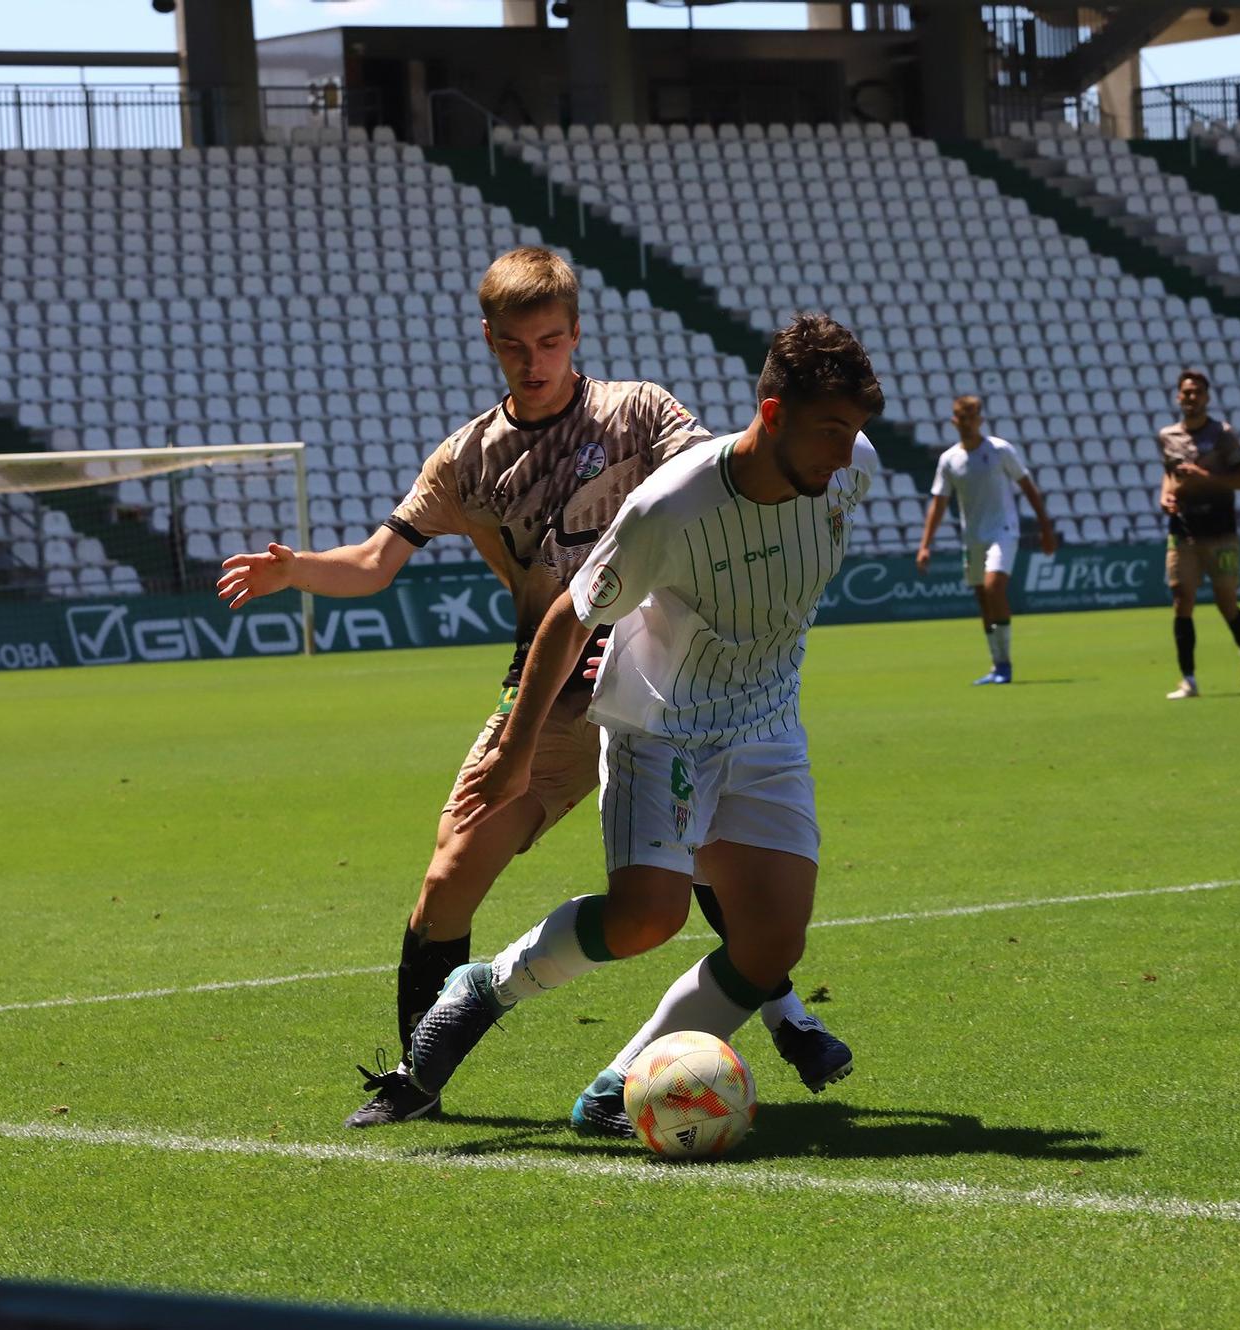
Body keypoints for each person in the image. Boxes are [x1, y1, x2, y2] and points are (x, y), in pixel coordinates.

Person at [214, 249, 851, 1130]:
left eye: (550, 341)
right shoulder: (468, 459)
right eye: (515, 345)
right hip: (547, 700)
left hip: (656, 680)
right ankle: (421, 1072)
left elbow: (720, 486)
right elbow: (373, 562)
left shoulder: (641, 412)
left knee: (700, 866)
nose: (534, 360)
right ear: (490, 342)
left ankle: (788, 1015)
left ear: (576, 334)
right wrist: (298, 571)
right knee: (449, 879)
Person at [406, 314, 884, 1137]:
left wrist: (844, 443)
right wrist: (517, 754)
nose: (846, 453)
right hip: (660, 725)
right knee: (646, 918)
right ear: (771, 417)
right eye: (830, 430)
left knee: (771, 944)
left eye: (856, 430)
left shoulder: (848, 471)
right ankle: (482, 989)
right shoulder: (672, 505)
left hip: (766, 724)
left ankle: (615, 1090)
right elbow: (567, 616)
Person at [914, 394, 1058, 685]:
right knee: (983, 600)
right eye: (962, 418)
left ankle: (1005, 667)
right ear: (954, 421)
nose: (967, 423)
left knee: (994, 588)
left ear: (980, 419)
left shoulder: (1000, 450)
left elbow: (1028, 487)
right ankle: (998, 664)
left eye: (972, 417)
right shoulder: (949, 460)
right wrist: (925, 545)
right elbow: (939, 503)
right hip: (973, 537)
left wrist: (1045, 527)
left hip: (1003, 531)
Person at [1158, 368, 1240, 699]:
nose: (1191, 397)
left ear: (1207, 397)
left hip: (1219, 531)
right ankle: (1188, 679)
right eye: (1186, 392)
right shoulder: (1167, 435)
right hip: (1183, 530)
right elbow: (1170, 475)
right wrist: (1166, 495)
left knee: (1226, 602)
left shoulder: (1222, 435)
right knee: (1181, 600)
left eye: (1197, 392)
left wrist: (1206, 477)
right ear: (1178, 396)